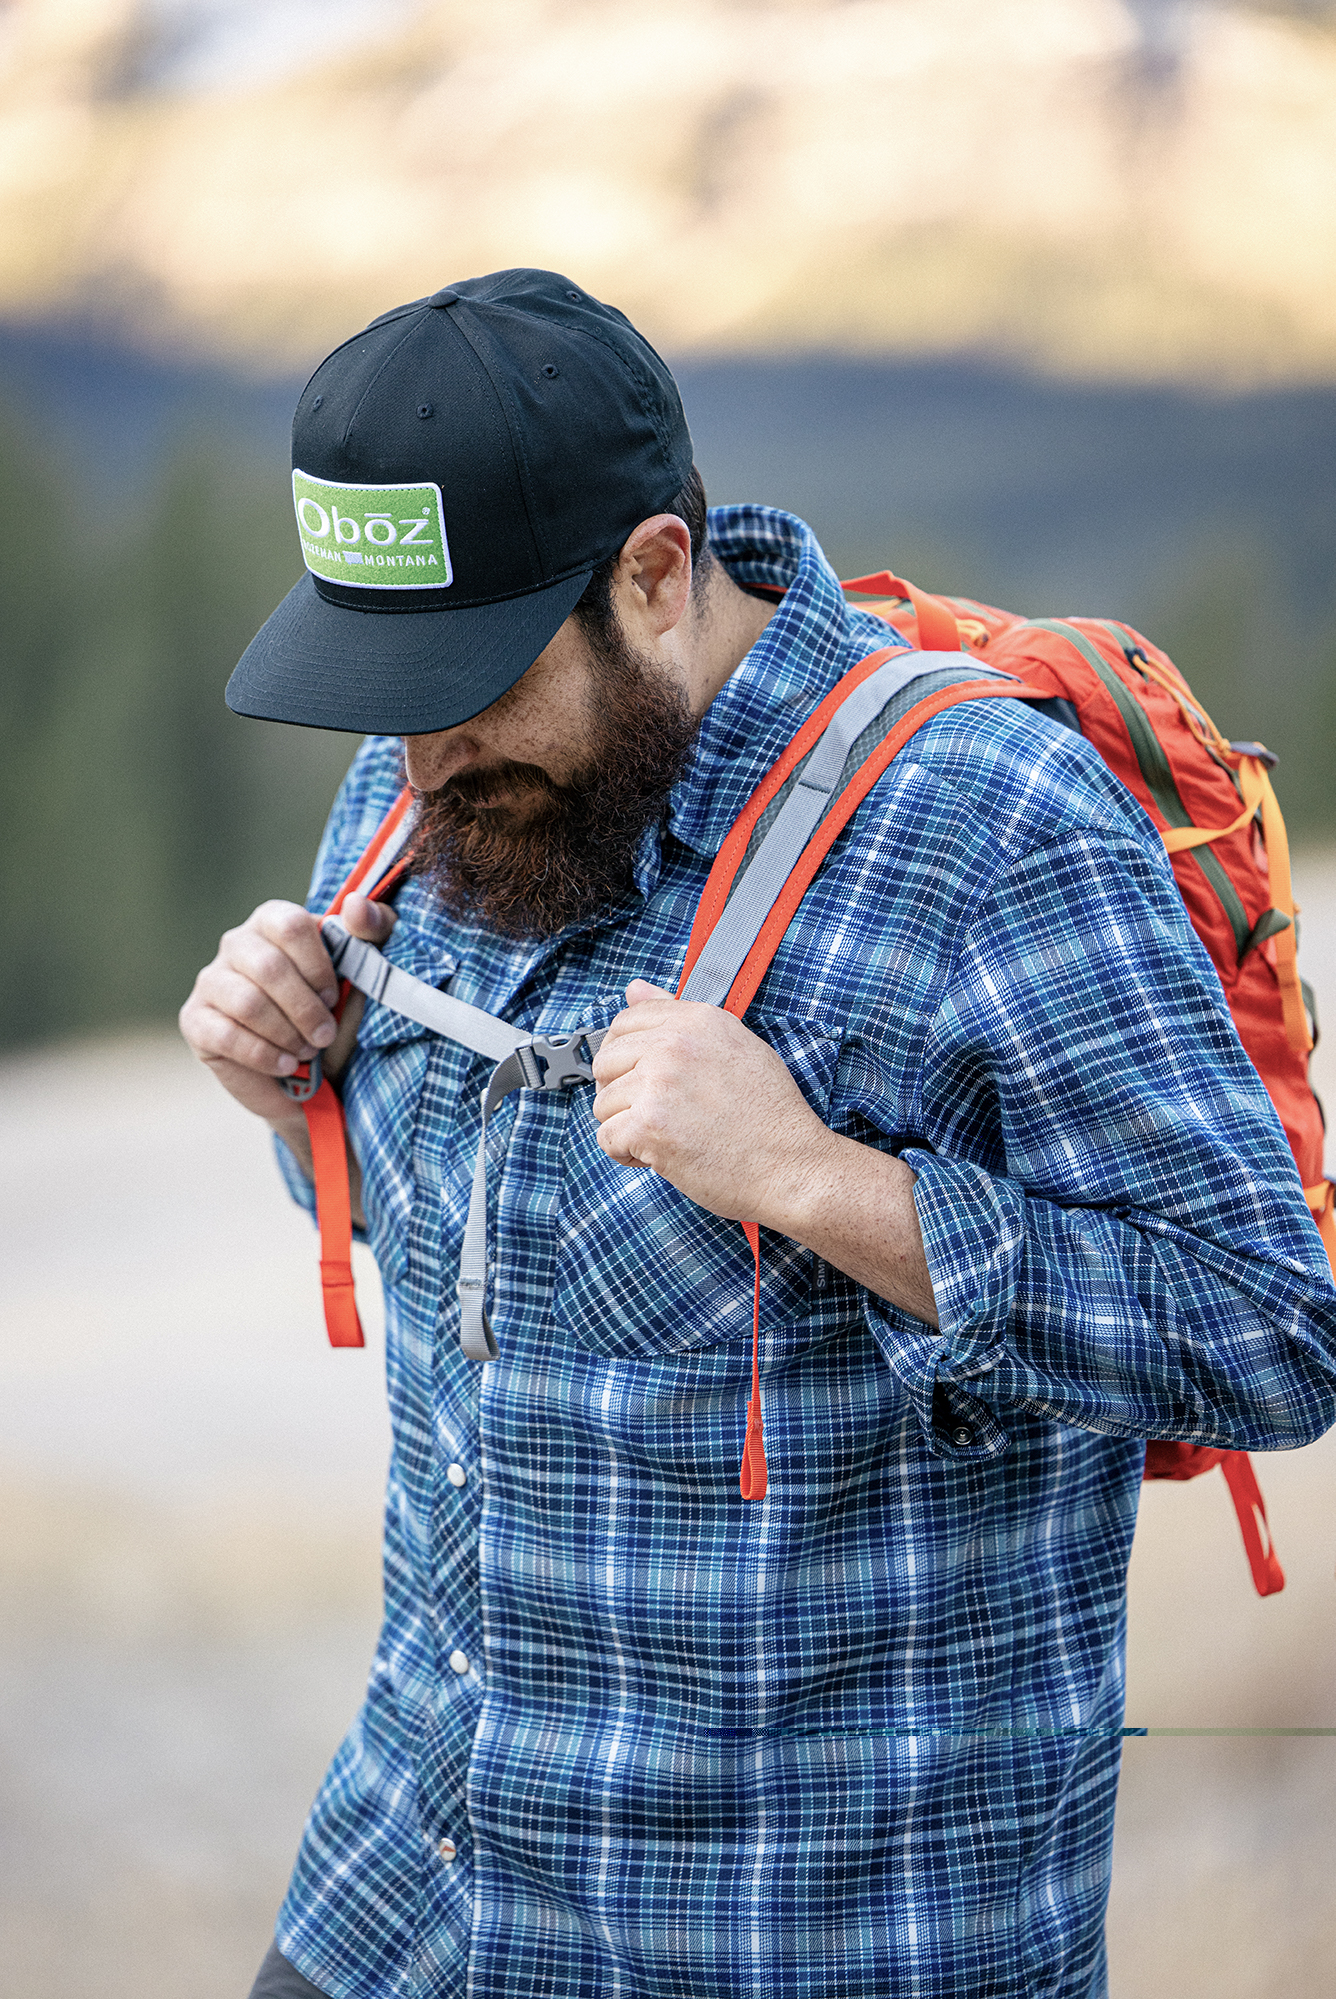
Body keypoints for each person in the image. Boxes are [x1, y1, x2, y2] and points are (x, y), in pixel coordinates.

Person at [182, 269, 1336, 1999]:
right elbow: (476, 1255)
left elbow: (1270, 1328)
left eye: (473, 683)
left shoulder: (989, 830)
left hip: (797, 1939)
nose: (420, 754)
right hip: (407, 1905)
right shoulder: (432, 783)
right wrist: (292, 1096)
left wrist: (819, 1181)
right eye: (388, 679)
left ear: (653, 576)